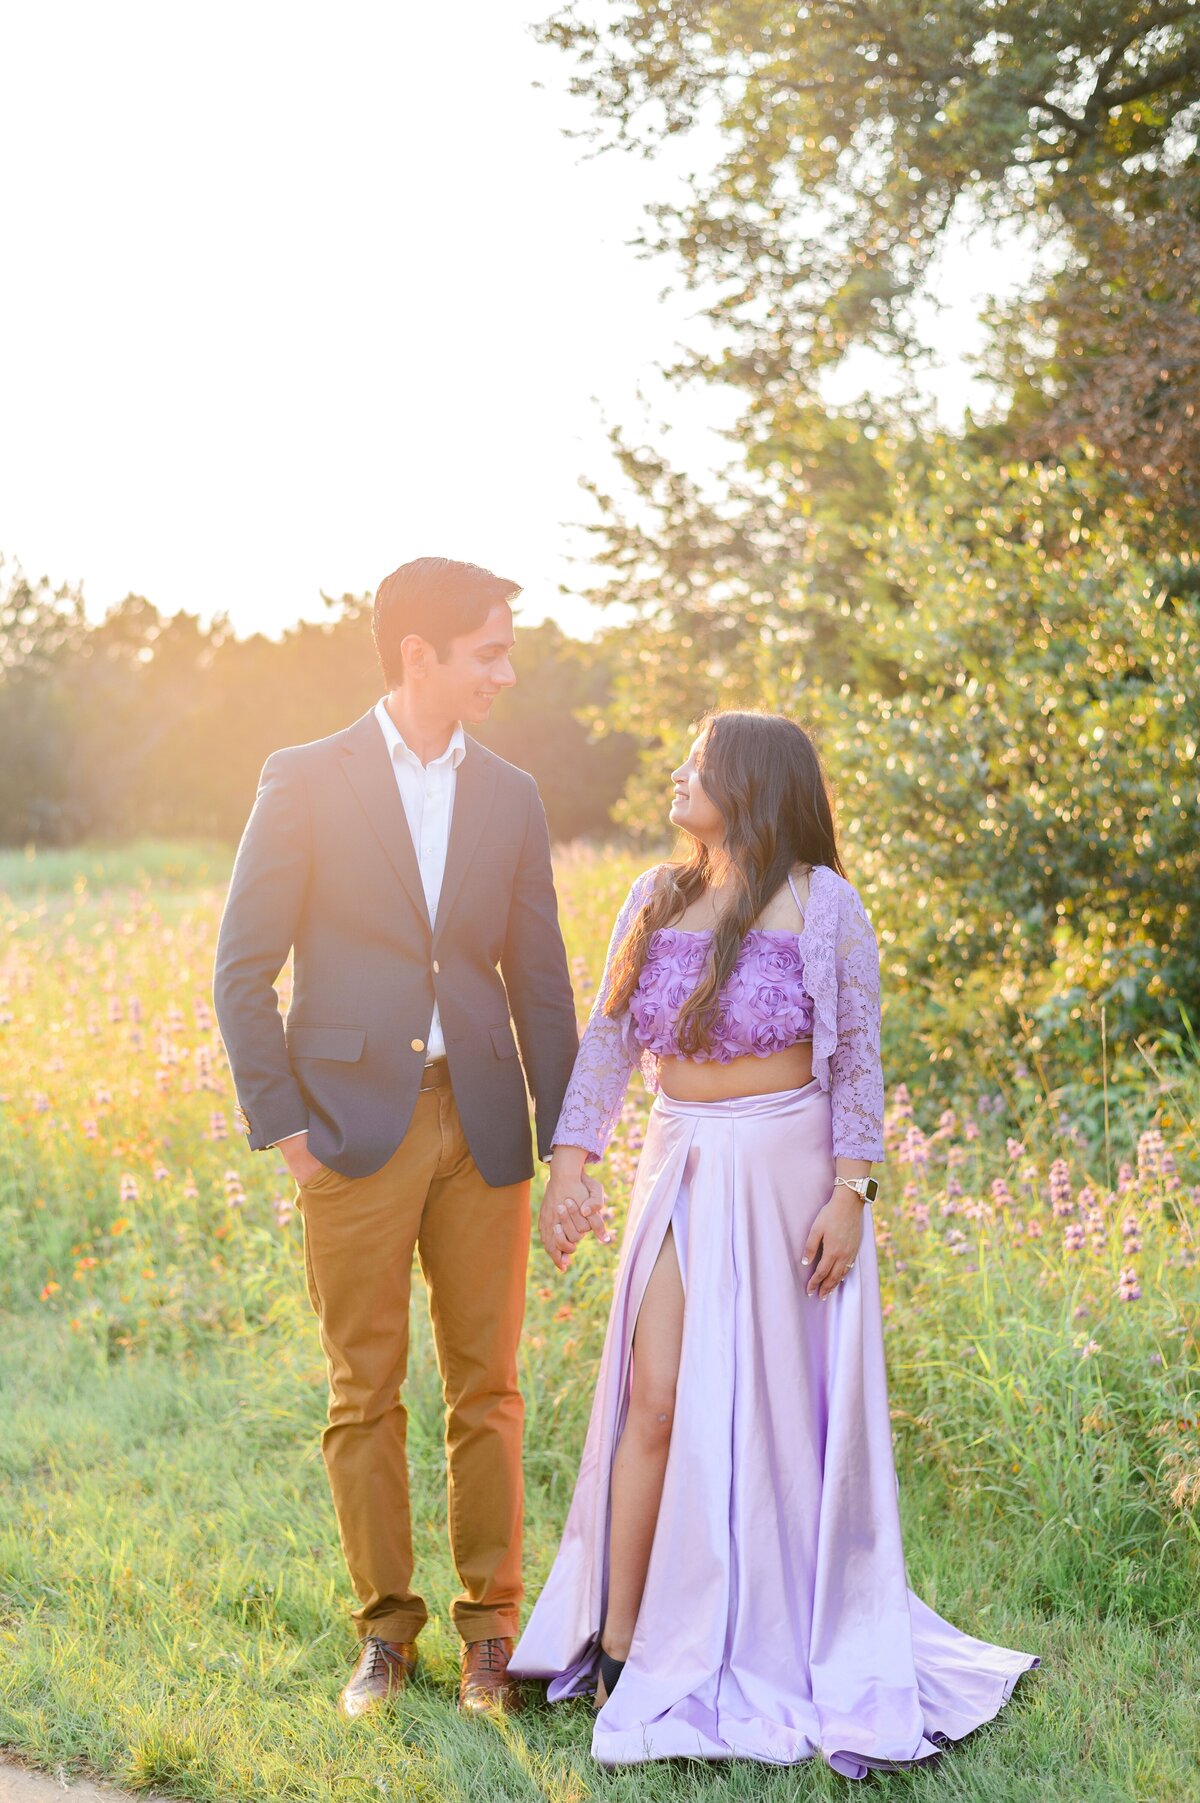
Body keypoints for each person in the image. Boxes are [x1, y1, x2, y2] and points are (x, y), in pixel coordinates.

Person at [510, 708, 1039, 1774]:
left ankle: (773, 1628)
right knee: (651, 1404)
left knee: (773, 1421)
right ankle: (620, 1643)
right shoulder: (655, 898)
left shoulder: (825, 904)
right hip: (680, 1159)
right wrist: (571, 1163)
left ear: (751, 784)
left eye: (696, 763)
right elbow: (609, 1041)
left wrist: (852, 1194)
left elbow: (858, 1066)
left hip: (791, 1172)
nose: (676, 774)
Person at [213, 556, 603, 1719]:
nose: (507, 671)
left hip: (483, 1127)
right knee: (363, 1389)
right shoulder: (304, 777)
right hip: (349, 1133)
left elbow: (542, 985)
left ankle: (493, 1636)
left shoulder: (514, 794)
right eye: (489, 651)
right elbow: (242, 973)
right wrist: (290, 1136)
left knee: (490, 1389)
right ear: (418, 655)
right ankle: (386, 1635)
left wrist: (567, 1144)